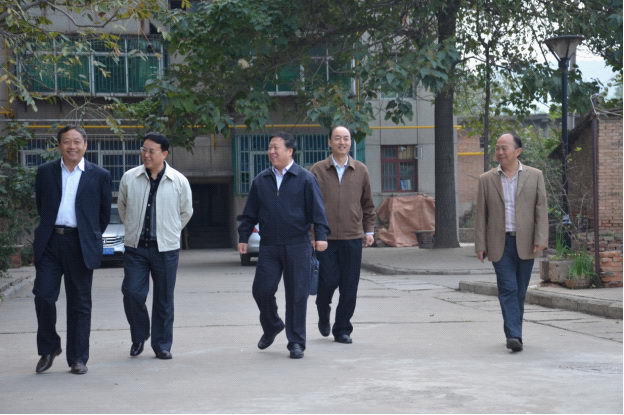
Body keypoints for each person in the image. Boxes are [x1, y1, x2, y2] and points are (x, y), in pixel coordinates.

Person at [238, 132, 330, 359]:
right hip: (269, 245)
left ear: (290, 151)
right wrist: (243, 236)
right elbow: (250, 213)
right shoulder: (261, 180)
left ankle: (296, 342)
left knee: (297, 295)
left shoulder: (305, 178)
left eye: (276, 147)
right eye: (270, 147)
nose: (271, 151)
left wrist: (321, 235)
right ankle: (272, 325)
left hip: (298, 244)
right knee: (261, 290)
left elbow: (318, 210)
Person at [32, 126, 112, 375]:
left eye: (77, 141)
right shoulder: (45, 172)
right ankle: (49, 348)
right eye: (67, 141)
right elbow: (41, 205)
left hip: (80, 244)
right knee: (43, 296)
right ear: (59, 145)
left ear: (85, 145)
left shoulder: (99, 175)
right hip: (50, 243)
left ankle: (78, 357)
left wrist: (87, 236)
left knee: (79, 303)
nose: (72, 146)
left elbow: (103, 215)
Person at [118, 132, 193, 360]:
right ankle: (139, 335)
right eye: (144, 150)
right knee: (132, 293)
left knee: (164, 298)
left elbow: (186, 212)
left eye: (151, 151)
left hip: (166, 250)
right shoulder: (130, 178)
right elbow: (122, 208)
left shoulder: (178, 181)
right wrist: (133, 228)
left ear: (164, 153)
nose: (146, 155)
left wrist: (170, 232)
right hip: (136, 248)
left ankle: (162, 345)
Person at [475, 132, 548, 352]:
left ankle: (516, 333)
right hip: (499, 243)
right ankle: (513, 335)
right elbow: (481, 215)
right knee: (508, 288)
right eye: (497, 148)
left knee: (520, 291)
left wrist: (541, 239)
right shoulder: (486, 179)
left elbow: (541, 210)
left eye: (504, 148)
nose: (499, 152)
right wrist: (480, 245)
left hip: (526, 242)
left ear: (518, 151)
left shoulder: (535, 176)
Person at [309, 126, 375, 344]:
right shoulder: (317, 170)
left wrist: (369, 230)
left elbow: (367, 204)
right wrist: (312, 234)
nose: (342, 142)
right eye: (337, 138)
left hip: (352, 237)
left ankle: (342, 329)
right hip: (324, 239)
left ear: (350, 142)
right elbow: (308, 205)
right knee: (327, 282)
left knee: (349, 286)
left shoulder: (361, 170)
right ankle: (323, 311)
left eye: (346, 138)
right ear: (330, 142)